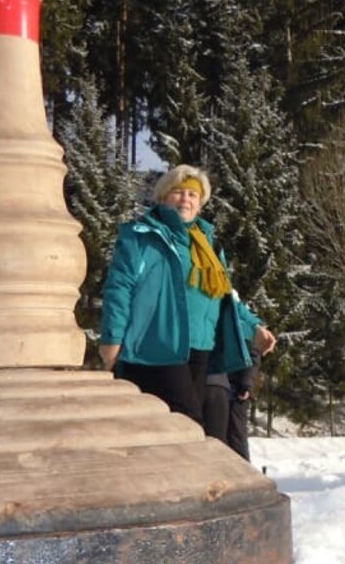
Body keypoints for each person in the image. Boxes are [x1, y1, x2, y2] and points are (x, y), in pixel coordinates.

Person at [99, 165, 276, 425]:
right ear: (163, 197)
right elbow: (119, 288)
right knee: (189, 422)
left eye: (192, 195)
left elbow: (225, 297)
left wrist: (254, 327)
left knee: (172, 426)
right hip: (158, 346)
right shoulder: (142, 236)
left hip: (200, 348)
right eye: (178, 192)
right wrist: (112, 339)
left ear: (200, 203)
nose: (185, 199)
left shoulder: (209, 243)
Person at [203, 339, 259, 460]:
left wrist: (246, 383)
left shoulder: (242, 324)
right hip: (214, 384)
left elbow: (252, 354)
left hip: (236, 390)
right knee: (215, 435)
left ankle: (242, 471)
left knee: (236, 435)